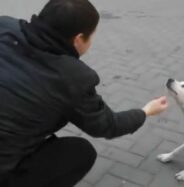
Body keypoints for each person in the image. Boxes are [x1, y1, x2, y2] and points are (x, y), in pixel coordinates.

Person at [0, 0, 168, 186]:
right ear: (78, 39)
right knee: (80, 152)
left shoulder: (4, 25)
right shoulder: (74, 77)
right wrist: (145, 111)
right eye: (92, 36)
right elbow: (108, 125)